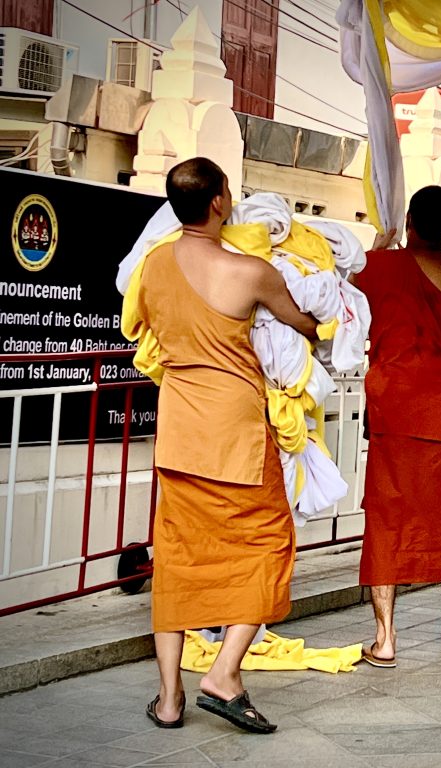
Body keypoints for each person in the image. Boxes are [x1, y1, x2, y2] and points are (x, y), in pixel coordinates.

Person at [136, 158, 317, 733]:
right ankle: (223, 672)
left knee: (177, 561)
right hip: (235, 433)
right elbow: (306, 323)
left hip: (179, 435)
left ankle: (169, 700)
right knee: (269, 542)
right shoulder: (251, 272)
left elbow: (147, 327)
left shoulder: (154, 265)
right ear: (218, 203)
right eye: (230, 192)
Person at [352, 185, 441, 667]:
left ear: (407, 219)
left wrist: (382, 247)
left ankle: (384, 638)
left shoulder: (377, 266)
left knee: (386, 521)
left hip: (391, 408)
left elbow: (354, 284)